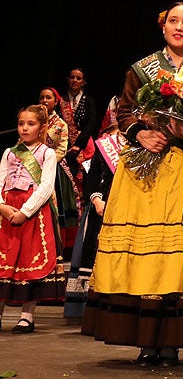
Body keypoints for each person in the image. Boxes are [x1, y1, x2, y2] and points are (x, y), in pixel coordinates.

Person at [81, 1, 183, 367]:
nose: (180, 27)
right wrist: (142, 133)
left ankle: (173, 341)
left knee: (176, 253)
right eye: (174, 21)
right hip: (143, 170)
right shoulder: (141, 69)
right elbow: (125, 111)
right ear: (163, 28)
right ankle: (143, 340)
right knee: (143, 252)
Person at [0, 104, 64, 333]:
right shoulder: (9, 152)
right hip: (7, 211)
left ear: (42, 127)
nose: (25, 128)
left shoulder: (47, 153)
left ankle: (27, 316)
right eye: (21, 123)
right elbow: (0, 181)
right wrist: (3, 207)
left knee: (29, 260)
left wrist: (25, 212)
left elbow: (46, 186)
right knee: (4, 262)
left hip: (32, 213)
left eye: (31, 124)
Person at [64, 97, 121, 322]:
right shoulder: (105, 145)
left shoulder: (144, 146)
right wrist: (97, 200)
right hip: (101, 208)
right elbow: (93, 177)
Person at [38, 86, 79, 249]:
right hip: (33, 166)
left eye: (48, 98)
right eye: (42, 97)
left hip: (54, 168)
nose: (44, 101)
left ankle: (59, 247)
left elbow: (62, 149)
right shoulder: (34, 120)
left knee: (59, 206)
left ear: (55, 102)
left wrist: (46, 163)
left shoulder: (61, 124)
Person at [60, 67, 99, 192]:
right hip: (64, 146)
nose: (74, 80)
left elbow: (91, 124)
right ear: (67, 79)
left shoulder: (89, 100)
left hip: (83, 146)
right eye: (72, 77)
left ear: (83, 82)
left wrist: (78, 144)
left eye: (78, 78)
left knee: (84, 181)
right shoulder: (61, 101)